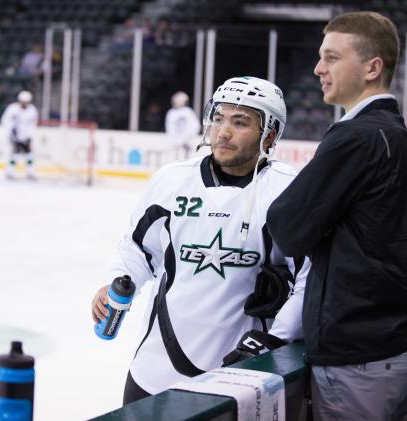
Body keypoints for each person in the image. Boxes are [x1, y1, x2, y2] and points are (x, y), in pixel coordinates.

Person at [91, 76, 310, 404]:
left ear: (271, 133)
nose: (223, 131)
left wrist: (274, 340)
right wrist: (117, 283)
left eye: (240, 122)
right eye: (219, 118)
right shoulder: (173, 180)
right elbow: (137, 248)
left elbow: (310, 277)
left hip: (240, 378)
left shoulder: (288, 191)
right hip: (154, 369)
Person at [266, 12, 407, 421]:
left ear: (372, 68)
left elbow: (286, 227)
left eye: (332, 57)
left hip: (358, 362)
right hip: (395, 348)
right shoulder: (394, 133)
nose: (318, 68)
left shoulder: (355, 136)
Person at [0, 90, 39, 180]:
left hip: (26, 136)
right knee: (15, 154)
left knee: (29, 154)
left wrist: (29, 136)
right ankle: (9, 172)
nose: (24, 104)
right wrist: (11, 132)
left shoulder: (32, 110)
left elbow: (32, 124)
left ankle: (31, 172)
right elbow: (5, 120)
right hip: (14, 136)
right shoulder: (13, 108)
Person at [164, 91, 200, 159]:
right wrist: (174, 141)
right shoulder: (171, 113)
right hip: (175, 144)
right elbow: (170, 129)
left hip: (187, 143)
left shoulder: (188, 112)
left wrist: (186, 138)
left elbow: (195, 127)